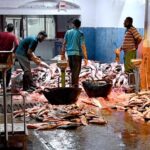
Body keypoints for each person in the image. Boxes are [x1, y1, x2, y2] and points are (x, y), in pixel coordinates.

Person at [61, 19, 88, 87]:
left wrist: (63, 54)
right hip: (77, 55)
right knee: (76, 73)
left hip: (69, 55)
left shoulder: (68, 32)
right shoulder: (80, 33)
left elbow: (64, 44)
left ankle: (73, 86)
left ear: (73, 24)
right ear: (79, 25)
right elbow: (83, 46)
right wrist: (85, 57)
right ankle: (74, 87)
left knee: (73, 71)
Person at [0, 23, 19, 89]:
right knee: (8, 69)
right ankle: (7, 85)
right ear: (13, 29)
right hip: (8, 54)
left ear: (6, 28)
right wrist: (12, 51)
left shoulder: (1, 34)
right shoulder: (13, 36)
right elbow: (17, 45)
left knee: (0, 68)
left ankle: (0, 83)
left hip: (0, 53)